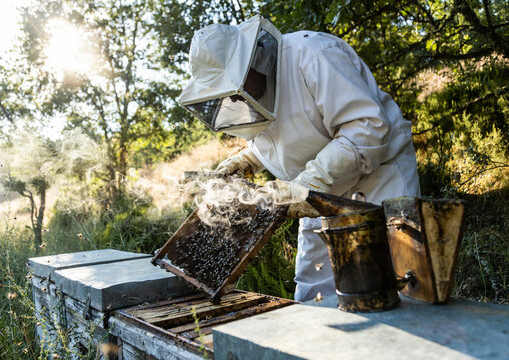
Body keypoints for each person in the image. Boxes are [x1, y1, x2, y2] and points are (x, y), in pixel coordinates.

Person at [178, 15, 420, 302]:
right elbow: (283, 136)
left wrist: (311, 182)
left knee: (395, 283)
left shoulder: (314, 55)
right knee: (314, 293)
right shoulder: (251, 95)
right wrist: (249, 159)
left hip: (379, 178)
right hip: (313, 193)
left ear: (252, 61)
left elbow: (366, 128)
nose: (234, 101)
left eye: (233, 88)